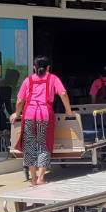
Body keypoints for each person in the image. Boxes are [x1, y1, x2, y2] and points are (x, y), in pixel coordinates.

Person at [10, 56, 73, 186]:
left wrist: (17, 113)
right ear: (48, 67)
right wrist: (68, 111)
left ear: (34, 67)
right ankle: (41, 178)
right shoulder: (53, 78)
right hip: (44, 115)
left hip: (29, 114)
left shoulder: (28, 80)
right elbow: (63, 94)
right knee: (43, 145)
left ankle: (33, 179)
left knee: (30, 146)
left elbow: (20, 100)